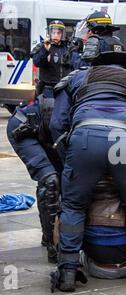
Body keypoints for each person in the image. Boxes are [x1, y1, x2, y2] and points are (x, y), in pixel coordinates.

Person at [49, 31, 126, 292]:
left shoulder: (77, 77)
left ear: (96, 59)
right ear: (125, 60)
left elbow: (57, 123)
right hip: (125, 138)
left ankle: (68, 271)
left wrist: (72, 161)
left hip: (84, 137)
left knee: (74, 205)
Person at [6, 91, 62, 263]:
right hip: (23, 128)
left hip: (47, 132)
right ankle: (54, 246)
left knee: (57, 179)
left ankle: (48, 235)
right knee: (50, 180)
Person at [31, 20, 71, 96]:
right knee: (48, 107)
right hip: (48, 88)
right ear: (49, 33)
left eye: (58, 33)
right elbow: (37, 62)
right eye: (53, 32)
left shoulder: (68, 47)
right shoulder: (43, 46)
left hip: (64, 87)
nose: (56, 35)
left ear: (62, 34)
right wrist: (45, 50)